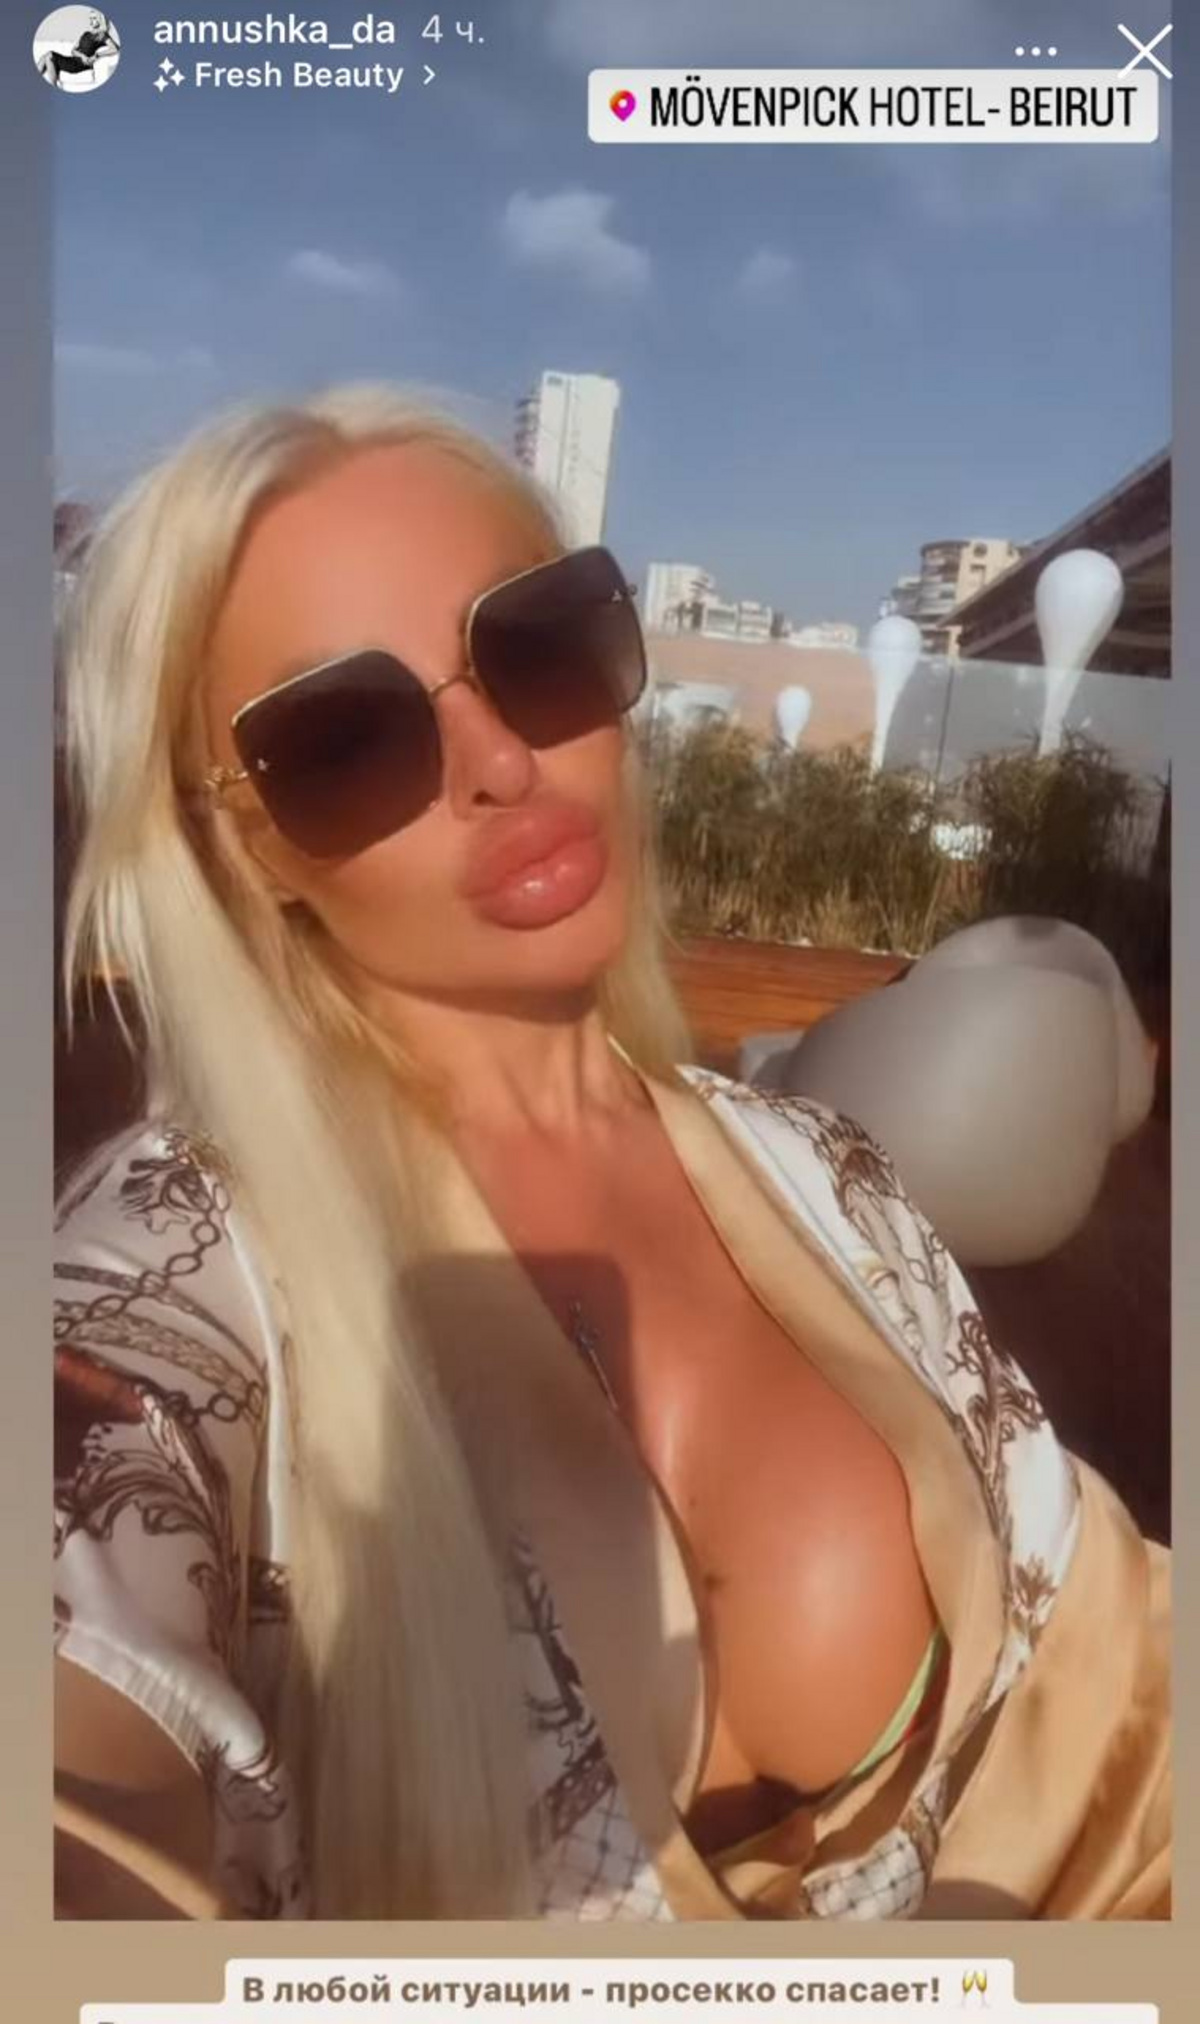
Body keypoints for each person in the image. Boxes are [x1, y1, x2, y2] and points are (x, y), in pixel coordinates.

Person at [54, 383, 1170, 1922]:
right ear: (245, 851)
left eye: (536, 649)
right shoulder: (171, 1275)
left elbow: (1114, 1676)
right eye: (345, 737)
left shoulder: (823, 1182)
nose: (501, 764)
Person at [40, 11, 118, 88]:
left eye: (94, 18)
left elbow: (115, 48)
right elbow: (73, 50)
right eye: (90, 18)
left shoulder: (102, 35)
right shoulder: (86, 34)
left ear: (100, 20)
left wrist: (97, 55)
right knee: (45, 57)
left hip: (81, 65)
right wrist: (82, 56)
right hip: (73, 60)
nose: (91, 21)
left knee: (49, 55)